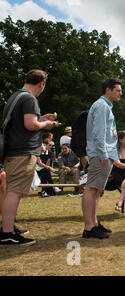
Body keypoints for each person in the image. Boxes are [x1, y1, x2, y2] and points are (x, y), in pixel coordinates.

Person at [1, 69, 57, 246]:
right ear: (41, 84)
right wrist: (46, 124)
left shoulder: (16, 97)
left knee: (12, 190)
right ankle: (7, 233)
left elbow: (25, 121)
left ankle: (7, 228)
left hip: (13, 151)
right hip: (22, 152)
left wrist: (40, 118)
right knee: (15, 192)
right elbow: (30, 124)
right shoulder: (30, 99)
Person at [82, 78, 125, 239]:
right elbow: (99, 134)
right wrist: (103, 155)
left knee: (97, 190)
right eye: (118, 90)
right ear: (108, 89)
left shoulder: (105, 107)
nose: (121, 93)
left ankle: (94, 223)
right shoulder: (101, 106)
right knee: (91, 189)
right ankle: (89, 227)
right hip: (101, 155)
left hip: (104, 155)